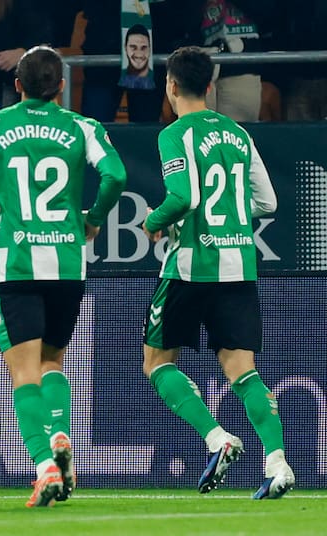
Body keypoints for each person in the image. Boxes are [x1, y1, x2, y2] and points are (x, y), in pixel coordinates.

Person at [0, 45, 127, 507]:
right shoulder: (83, 126)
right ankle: (61, 434)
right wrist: (94, 218)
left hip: (16, 263)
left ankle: (45, 466)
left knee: (23, 373)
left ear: (17, 85)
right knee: (52, 364)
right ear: (62, 86)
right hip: (66, 263)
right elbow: (116, 175)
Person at [140, 46, 294, 499]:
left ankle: (216, 437)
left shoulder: (174, 135)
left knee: (156, 362)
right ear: (209, 86)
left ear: (170, 86)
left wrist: (153, 221)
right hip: (239, 266)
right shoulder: (238, 135)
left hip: (191, 269)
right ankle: (278, 462)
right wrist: (228, 216)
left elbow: (182, 197)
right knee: (242, 371)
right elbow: (269, 203)